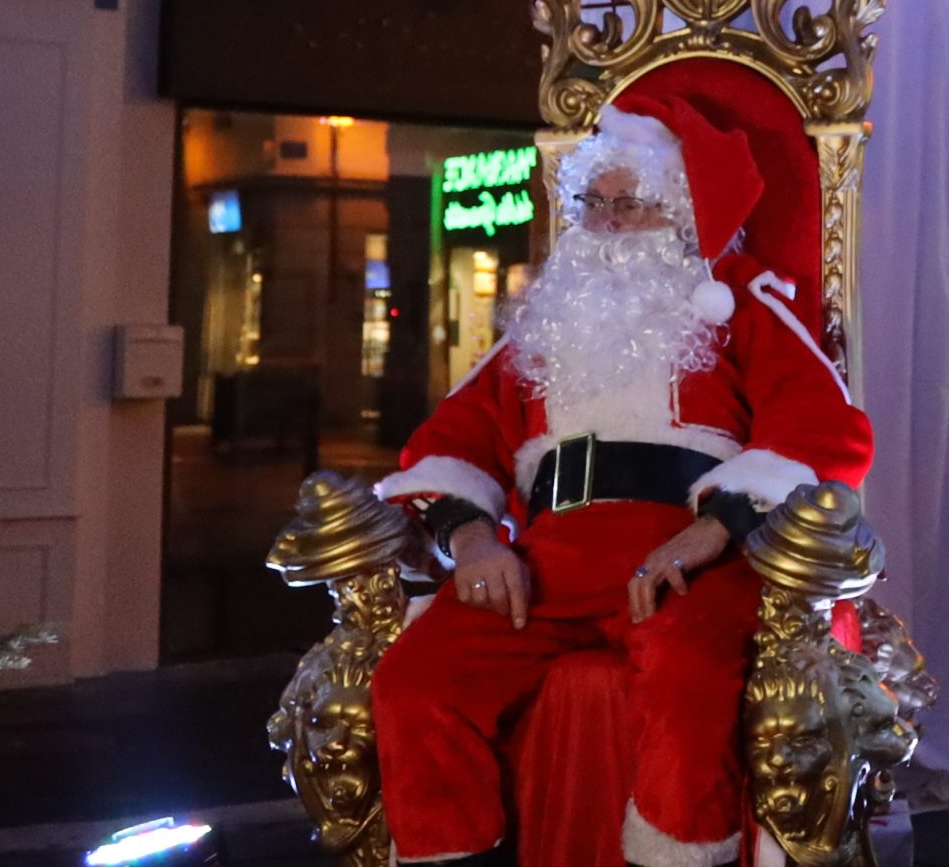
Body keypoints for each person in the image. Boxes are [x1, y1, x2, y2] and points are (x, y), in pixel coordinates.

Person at [369, 93, 873, 867]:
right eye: (593, 203)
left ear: (680, 210)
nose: (605, 224)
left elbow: (824, 427)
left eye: (628, 204)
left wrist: (714, 529)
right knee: (415, 681)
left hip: (682, 558)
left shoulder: (741, 302)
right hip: (544, 564)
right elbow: (449, 438)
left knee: (686, 676)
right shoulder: (547, 325)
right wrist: (471, 538)